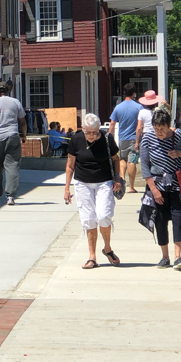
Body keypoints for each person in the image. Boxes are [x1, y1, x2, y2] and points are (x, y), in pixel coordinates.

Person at [64, 113, 122, 268]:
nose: (91, 136)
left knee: (104, 215)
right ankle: (92, 256)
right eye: (88, 132)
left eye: (95, 132)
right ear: (83, 129)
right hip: (82, 183)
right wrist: (66, 188)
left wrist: (117, 178)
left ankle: (107, 248)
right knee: (88, 219)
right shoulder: (76, 139)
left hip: (104, 182)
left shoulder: (107, 139)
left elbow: (117, 160)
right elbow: (70, 166)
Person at [140, 105, 181, 269]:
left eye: (162, 129)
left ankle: (178, 257)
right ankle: (165, 257)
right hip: (157, 186)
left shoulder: (177, 136)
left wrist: (180, 154)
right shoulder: (148, 138)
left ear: (168, 125)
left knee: (178, 219)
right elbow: (144, 166)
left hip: (176, 186)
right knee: (160, 221)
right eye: (156, 128)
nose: (159, 132)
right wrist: (153, 190)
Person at [0, 80, 27, 205]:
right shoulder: (15, 102)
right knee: (12, 165)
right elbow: (22, 121)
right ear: (9, 90)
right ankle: (11, 196)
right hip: (13, 135)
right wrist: (24, 135)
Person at [108, 83, 142, 194]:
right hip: (134, 138)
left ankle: (122, 180)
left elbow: (112, 124)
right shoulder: (138, 107)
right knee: (132, 161)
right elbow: (141, 125)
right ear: (133, 93)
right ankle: (131, 187)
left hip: (122, 138)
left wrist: (109, 137)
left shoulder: (118, 107)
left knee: (123, 159)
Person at [135, 89, 160, 153]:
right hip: (157, 134)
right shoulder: (159, 111)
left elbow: (139, 128)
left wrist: (137, 142)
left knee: (145, 156)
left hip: (146, 135)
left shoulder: (142, 112)